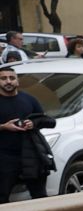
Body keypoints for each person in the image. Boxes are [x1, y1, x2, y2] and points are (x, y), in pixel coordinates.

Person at [0, 65, 55, 202]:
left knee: (40, 197)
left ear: (17, 81)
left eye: (12, 78)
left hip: (31, 155)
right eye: (3, 78)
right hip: (4, 158)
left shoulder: (29, 99)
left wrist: (33, 123)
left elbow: (48, 121)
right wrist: (3, 127)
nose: (8, 81)